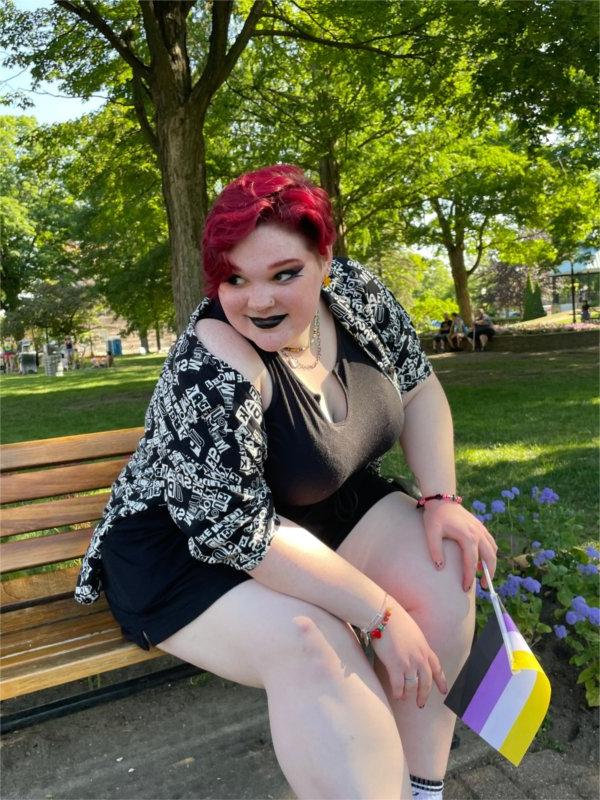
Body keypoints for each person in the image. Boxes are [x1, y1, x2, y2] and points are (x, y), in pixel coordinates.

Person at [75, 165, 497, 800]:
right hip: (187, 545)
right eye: (234, 279)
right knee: (315, 643)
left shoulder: (358, 296)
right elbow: (236, 531)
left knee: (445, 572)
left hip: (314, 510)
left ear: (324, 258)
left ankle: (419, 787)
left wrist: (440, 499)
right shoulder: (211, 364)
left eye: (284, 274)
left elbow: (419, 386)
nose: (259, 300)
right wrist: (379, 616)